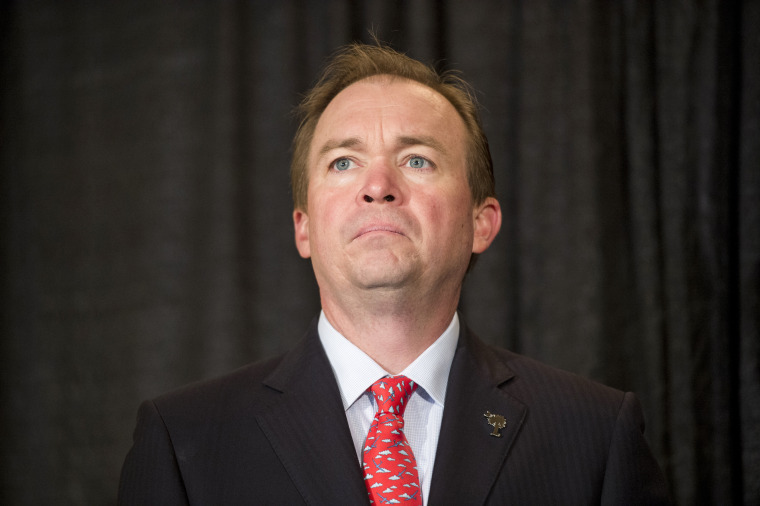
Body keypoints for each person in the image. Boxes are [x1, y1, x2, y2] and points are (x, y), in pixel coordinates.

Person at [118, 42, 670, 505]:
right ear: (303, 228)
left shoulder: (596, 435)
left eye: (417, 160)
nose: (378, 185)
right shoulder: (184, 442)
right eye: (343, 161)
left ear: (483, 222)